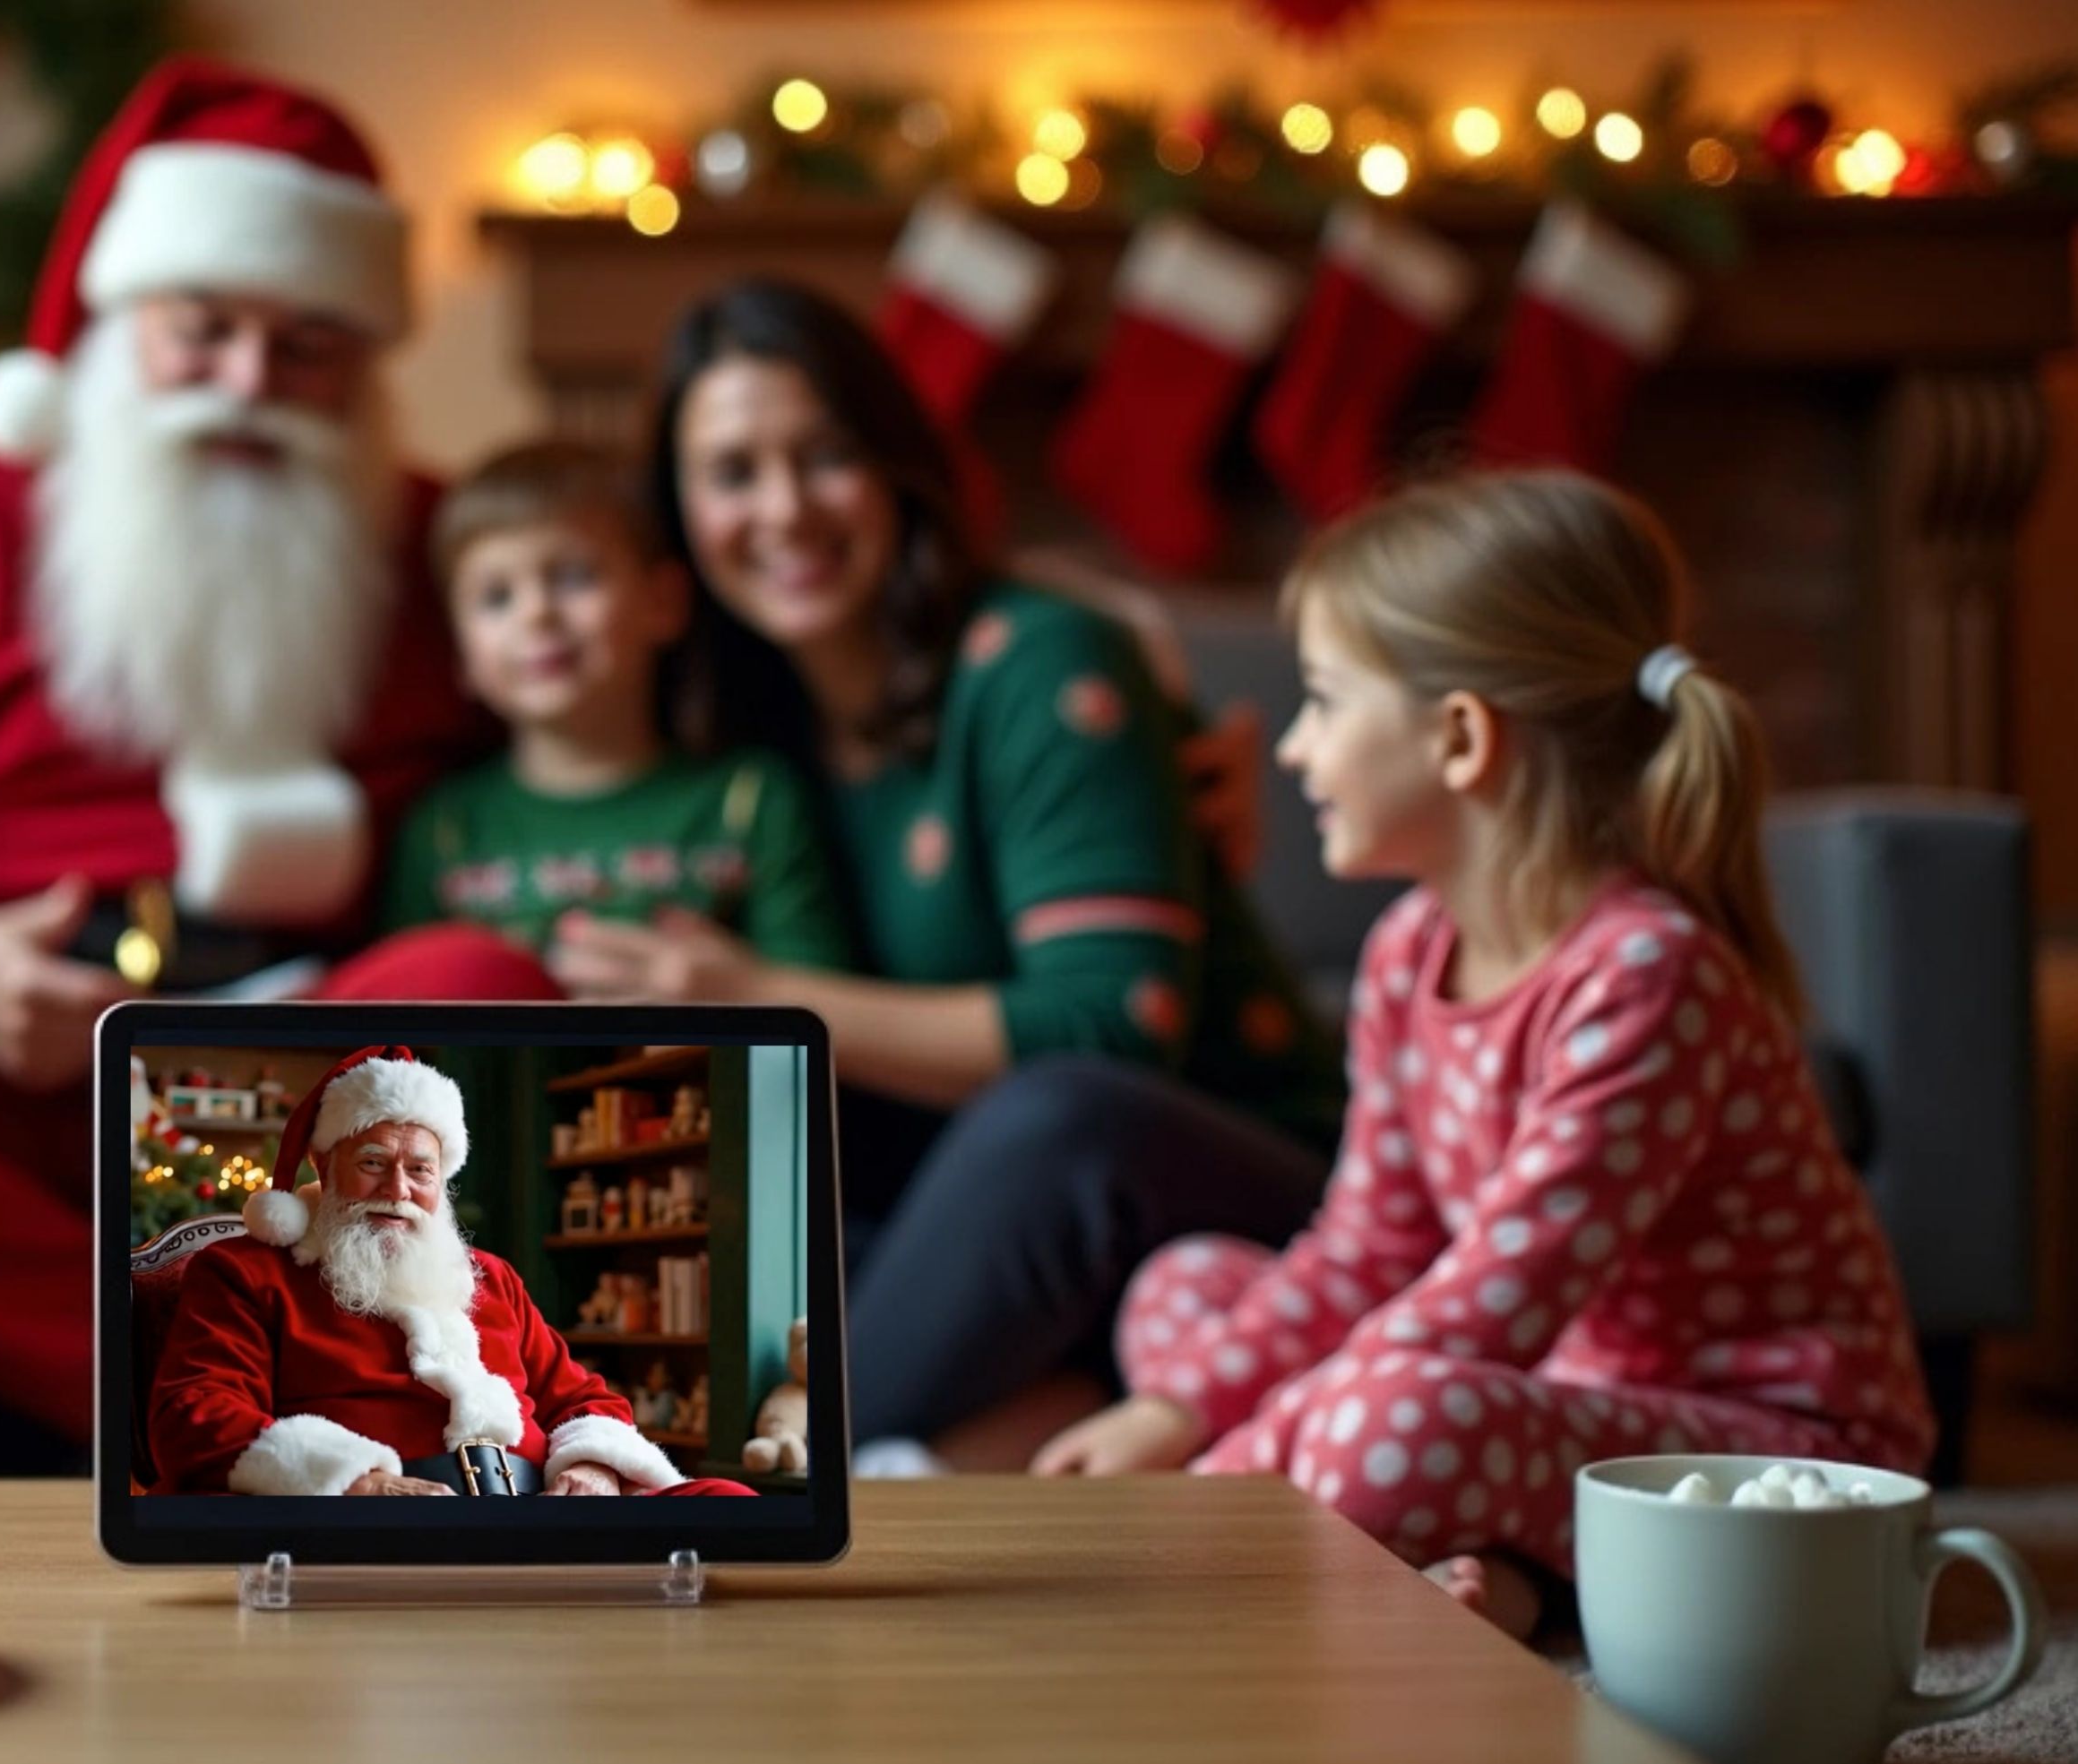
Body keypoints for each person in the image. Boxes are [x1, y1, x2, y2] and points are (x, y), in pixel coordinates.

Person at [0, 60, 548, 1460]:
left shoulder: (445, 552)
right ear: (117, 324)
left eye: (307, 345)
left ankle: (239, 1407)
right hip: (4, 1072)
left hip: (304, 1083)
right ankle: (187, 1406)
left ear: (367, 362)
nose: (250, 385)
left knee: (486, 991)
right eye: (202, 331)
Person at [1036, 470, 1935, 1639]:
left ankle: (1491, 1566)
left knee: (1388, 1418)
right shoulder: (1411, 950)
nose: (1294, 749)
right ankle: (1504, 1582)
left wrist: (1215, 1490)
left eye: (1322, 700)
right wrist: (1169, 1410)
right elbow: (1370, 1246)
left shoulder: (1646, 975)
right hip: (1557, 1392)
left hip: (1768, 1456)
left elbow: (1491, 1306)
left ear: (1461, 738)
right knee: (1185, 1286)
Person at [552, 278, 1347, 1457]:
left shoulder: (1041, 662)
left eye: (824, 457)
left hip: (1247, 1184)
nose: (782, 510)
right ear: (679, 516)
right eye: (731, 474)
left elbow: (1111, 1031)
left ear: (895, 469)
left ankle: (761, 1476)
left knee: (1054, 1117)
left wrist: (763, 995)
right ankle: (937, 1442)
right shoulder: (734, 727)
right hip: (975, 1220)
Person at [146, 1048, 751, 1496]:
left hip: (544, 1513)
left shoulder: (490, 1277)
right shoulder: (248, 1272)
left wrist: (591, 1466)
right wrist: (359, 1482)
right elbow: (193, 1412)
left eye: (421, 1169)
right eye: (374, 1162)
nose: (398, 1189)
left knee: (731, 1504)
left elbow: (583, 1399)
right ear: (324, 1167)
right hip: (373, 1528)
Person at [382, 438, 847, 968]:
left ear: (664, 602)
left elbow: (814, 1024)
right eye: (496, 597)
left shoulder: (749, 802)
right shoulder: (443, 831)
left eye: (574, 577)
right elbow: (402, 1029)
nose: (536, 614)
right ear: (460, 651)